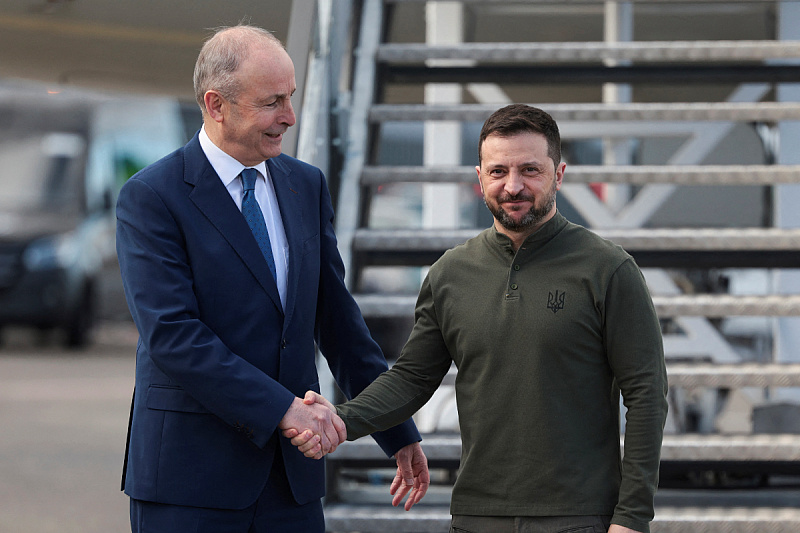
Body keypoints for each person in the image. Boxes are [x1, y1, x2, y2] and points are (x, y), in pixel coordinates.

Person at [288, 104, 669, 533]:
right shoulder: (450, 274)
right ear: (479, 177)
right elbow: (412, 378)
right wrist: (342, 419)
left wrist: (632, 517)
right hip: (476, 516)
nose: (513, 186)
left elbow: (646, 394)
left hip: (578, 516)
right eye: (498, 171)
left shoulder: (609, 270)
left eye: (530, 170)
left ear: (559, 174)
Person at [116, 24, 426, 533]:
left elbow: (338, 323)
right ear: (216, 105)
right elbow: (173, 335)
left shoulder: (305, 184)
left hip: (292, 485)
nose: (290, 117)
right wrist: (285, 410)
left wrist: (396, 431)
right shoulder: (152, 196)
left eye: (292, 97)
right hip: (190, 484)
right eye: (272, 102)